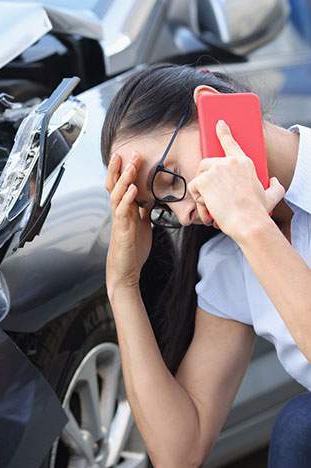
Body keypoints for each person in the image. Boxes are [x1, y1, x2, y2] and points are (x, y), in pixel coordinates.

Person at [101, 62, 311, 467]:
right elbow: (179, 452)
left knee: (300, 425)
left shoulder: (249, 235)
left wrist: (252, 225)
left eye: (170, 179)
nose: (183, 216)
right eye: (160, 206)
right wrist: (122, 285)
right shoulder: (230, 262)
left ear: (215, 111)